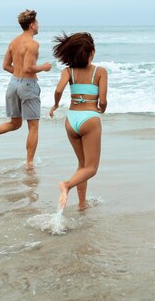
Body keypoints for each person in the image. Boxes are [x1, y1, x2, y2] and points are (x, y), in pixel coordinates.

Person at [0, 9, 52, 170]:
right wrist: (45, 67)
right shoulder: (32, 44)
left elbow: (5, 66)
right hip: (27, 85)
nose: (39, 25)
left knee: (15, 123)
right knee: (33, 126)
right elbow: (28, 68)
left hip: (13, 84)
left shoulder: (13, 42)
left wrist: (18, 77)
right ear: (32, 25)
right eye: (37, 23)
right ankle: (29, 163)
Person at [49, 32, 108, 211]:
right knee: (91, 168)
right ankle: (66, 185)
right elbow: (103, 101)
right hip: (89, 119)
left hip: (71, 120)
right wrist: (101, 110)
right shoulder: (100, 72)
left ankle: (82, 204)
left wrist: (56, 105)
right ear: (91, 52)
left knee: (82, 165)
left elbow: (59, 89)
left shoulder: (68, 71)